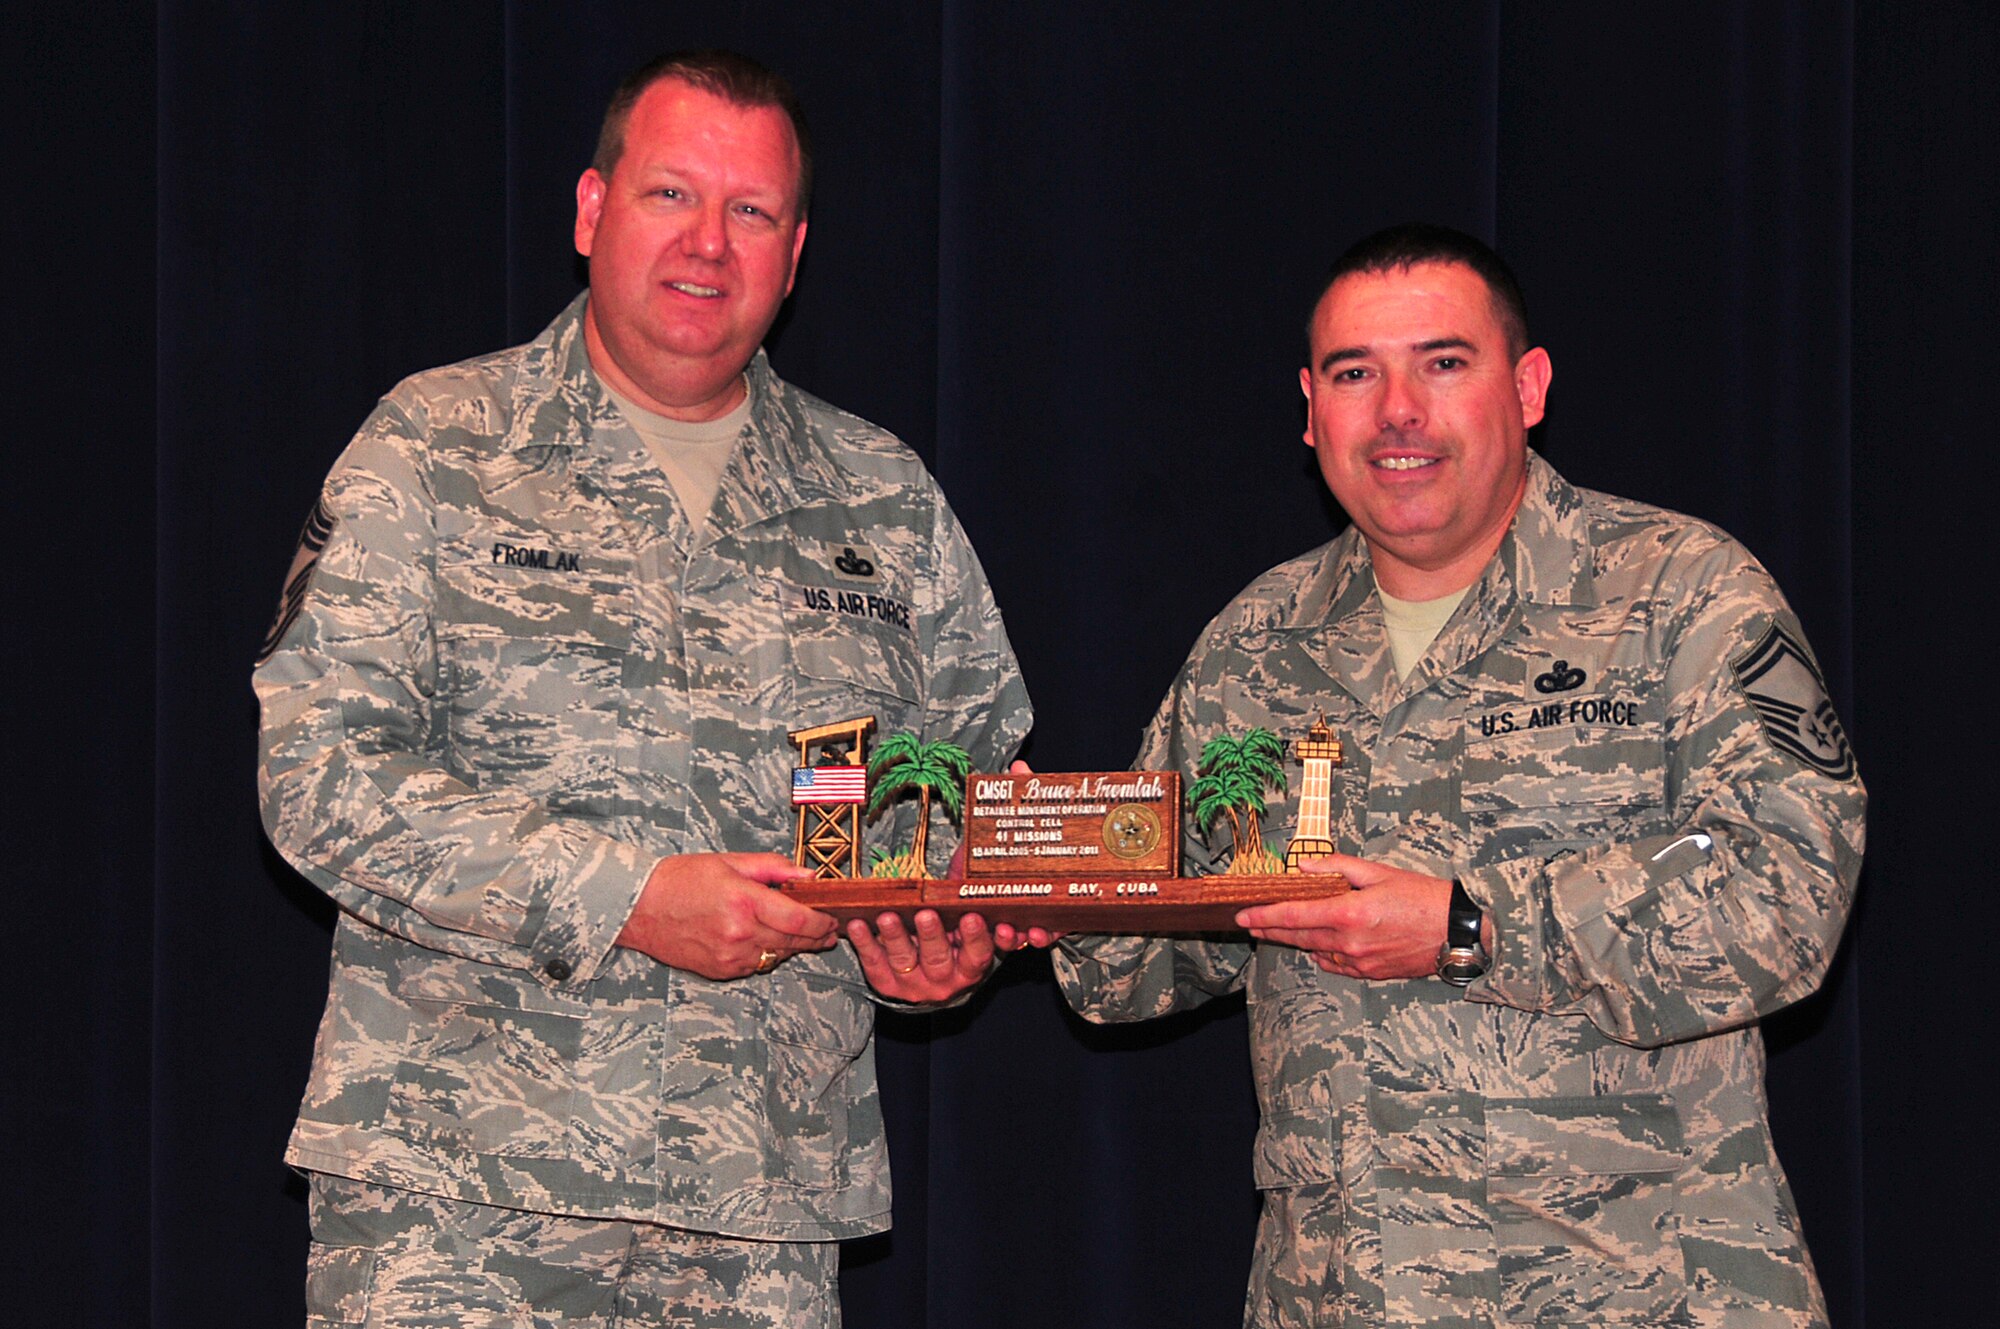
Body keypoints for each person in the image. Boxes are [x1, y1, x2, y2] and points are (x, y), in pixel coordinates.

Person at [255, 50, 1031, 1327]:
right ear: (590, 210)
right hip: (463, 1208)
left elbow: (965, 806)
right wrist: (629, 897)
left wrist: (941, 948)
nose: (708, 246)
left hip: (762, 1215)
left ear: (794, 253)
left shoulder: (883, 501)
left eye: (751, 213)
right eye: (672, 194)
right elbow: (318, 776)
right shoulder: (437, 446)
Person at [1054, 224, 1863, 1328]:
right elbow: (1147, 948)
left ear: (1525, 387)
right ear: (1307, 409)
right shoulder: (1255, 646)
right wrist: (1013, 908)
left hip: (1631, 1293)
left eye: (1441, 363)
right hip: (1336, 1295)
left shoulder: (1681, 595)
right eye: (1354, 373)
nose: (1395, 410)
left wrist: (1471, 924)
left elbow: (1788, 893)